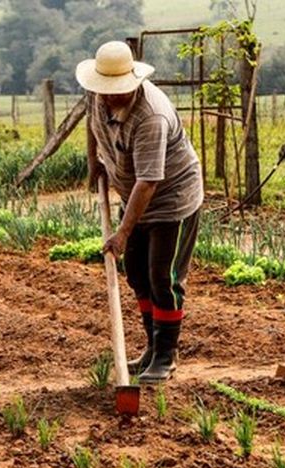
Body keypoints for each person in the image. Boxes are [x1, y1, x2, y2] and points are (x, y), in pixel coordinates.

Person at [75, 41, 204, 384]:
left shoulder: (151, 116)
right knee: (136, 274)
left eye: (114, 91)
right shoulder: (98, 94)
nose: (106, 96)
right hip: (132, 194)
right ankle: (151, 347)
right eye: (103, 90)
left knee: (163, 276)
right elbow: (92, 125)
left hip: (171, 199)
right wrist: (94, 163)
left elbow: (148, 182)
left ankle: (166, 355)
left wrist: (123, 232)